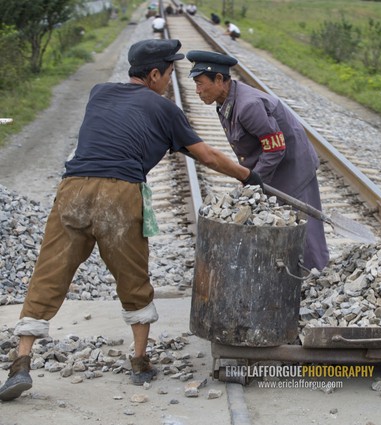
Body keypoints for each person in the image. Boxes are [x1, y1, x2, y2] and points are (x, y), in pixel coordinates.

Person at [0, 39, 262, 402]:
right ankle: (139, 362)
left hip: (72, 189)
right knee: (133, 276)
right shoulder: (165, 109)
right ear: (154, 74)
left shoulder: (99, 93)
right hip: (120, 195)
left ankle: (22, 361)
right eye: (169, 73)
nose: (171, 81)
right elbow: (208, 155)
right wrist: (248, 176)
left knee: (49, 271)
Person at [186, 50, 330, 271]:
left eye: (200, 83)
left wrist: (254, 180)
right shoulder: (225, 102)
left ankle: (318, 276)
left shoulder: (248, 106)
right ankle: (291, 276)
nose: (197, 91)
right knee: (280, 222)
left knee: (305, 226)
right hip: (273, 168)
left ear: (218, 80)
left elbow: (275, 148)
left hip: (293, 168)